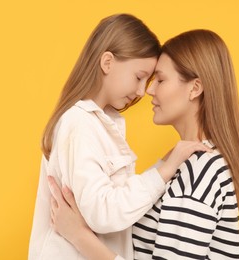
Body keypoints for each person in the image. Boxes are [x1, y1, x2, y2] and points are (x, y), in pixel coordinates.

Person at [48, 29, 239, 259]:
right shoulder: (181, 162)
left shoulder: (199, 172)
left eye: (160, 80)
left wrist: (79, 236)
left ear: (194, 88)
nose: (148, 90)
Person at [29, 14, 210, 260]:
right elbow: (103, 212)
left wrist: (163, 165)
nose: (140, 91)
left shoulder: (102, 124)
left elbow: (114, 198)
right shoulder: (79, 124)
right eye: (139, 77)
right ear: (107, 62)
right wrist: (164, 171)